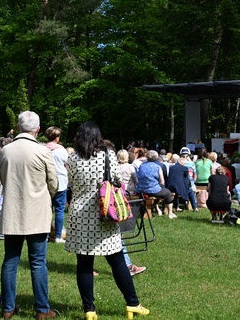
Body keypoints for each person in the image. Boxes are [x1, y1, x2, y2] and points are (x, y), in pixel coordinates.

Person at [65, 121, 149, 320]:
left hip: (79, 215)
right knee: (117, 261)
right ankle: (133, 303)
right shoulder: (107, 156)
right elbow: (118, 181)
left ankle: (89, 310)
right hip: (104, 213)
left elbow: (72, 185)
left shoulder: (73, 158)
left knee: (84, 264)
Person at [0, 111, 59, 319]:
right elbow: (54, 183)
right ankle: (42, 309)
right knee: (38, 262)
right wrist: (45, 196)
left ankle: (7, 307)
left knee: (10, 261)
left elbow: (4, 179)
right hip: (37, 211)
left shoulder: (6, 150)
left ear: (17, 127)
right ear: (38, 130)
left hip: (13, 211)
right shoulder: (42, 152)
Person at [45, 126, 69, 244]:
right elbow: (68, 164)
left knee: (46, 209)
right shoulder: (61, 150)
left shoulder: (43, 149)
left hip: (46, 182)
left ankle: (45, 235)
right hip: (60, 182)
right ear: (57, 138)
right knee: (59, 210)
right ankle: (58, 236)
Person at [136, 149, 176, 218]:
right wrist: (161, 186)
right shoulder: (157, 167)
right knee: (168, 193)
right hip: (153, 190)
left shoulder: (141, 166)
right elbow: (162, 181)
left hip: (141, 189)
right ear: (156, 158)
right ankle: (170, 213)